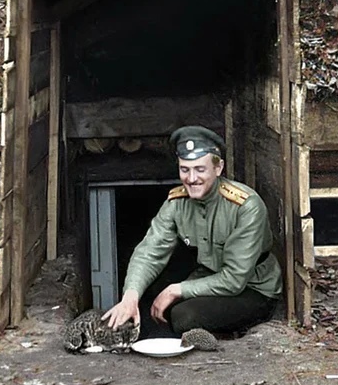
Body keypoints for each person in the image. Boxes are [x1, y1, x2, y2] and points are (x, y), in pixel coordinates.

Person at [102, 125, 282, 337]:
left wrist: (176, 290)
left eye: (200, 169)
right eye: (185, 170)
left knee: (184, 316)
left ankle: (229, 338)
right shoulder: (177, 202)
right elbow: (150, 251)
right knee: (150, 297)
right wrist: (130, 296)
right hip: (209, 276)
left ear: (218, 168)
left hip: (253, 288)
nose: (191, 178)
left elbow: (234, 280)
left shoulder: (245, 206)